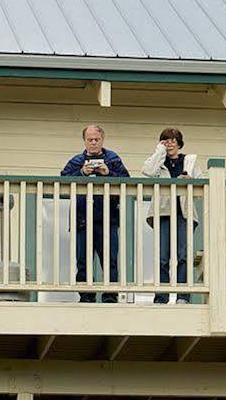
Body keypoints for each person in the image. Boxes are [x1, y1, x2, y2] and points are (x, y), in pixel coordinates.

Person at [60, 124, 128, 302]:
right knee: (83, 262)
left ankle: (110, 297)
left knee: (110, 261)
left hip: (108, 219)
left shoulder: (113, 159)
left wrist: (108, 173)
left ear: (102, 140)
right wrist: (82, 172)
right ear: (84, 141)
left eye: (96, 139)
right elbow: (62, 180)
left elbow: (126, 181)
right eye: (90, 140)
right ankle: (86, 297)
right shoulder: (76, 161)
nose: (93, 143)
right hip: (82, 219)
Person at [140, 127, 197, 303]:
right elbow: (147, 171)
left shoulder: (189, 161)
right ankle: (161, 296)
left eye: (173, 140)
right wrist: (159, 151)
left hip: (183, 213)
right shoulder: (158, 162)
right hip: (163, 213)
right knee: (163, 257)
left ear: (179, 143)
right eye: (166, 140)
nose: (170, 143)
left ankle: (183, 297)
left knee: (183, 255)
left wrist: (190, 181)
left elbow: (200, 182)